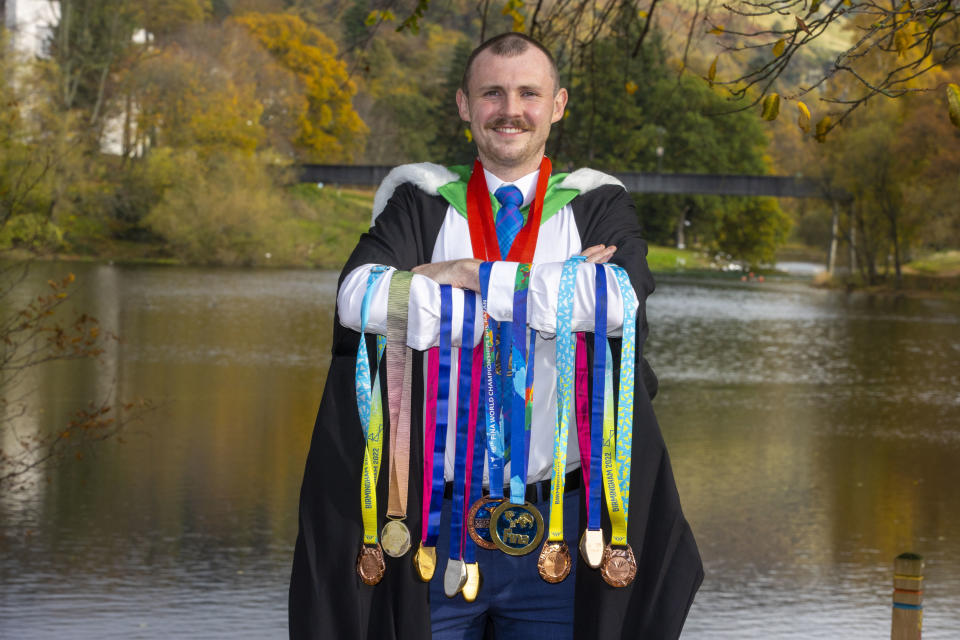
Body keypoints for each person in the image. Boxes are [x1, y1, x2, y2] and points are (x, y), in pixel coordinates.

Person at [289, 32, 702, 639]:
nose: (511, 109)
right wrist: (555, 291)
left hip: (559, 527)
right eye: (493, 93)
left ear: (557, 105)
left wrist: (463, 276)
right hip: (433, 526)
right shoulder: (420, 202)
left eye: (528, 93)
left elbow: (619, 301)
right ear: (464, 104)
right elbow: (360, 297)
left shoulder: (595, 204)